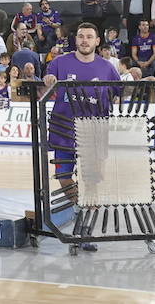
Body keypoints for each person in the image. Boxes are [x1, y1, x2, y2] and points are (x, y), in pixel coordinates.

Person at [48, 22, 115, 253]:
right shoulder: (59, 62)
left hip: (94, 130)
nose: (84, 40)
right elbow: (45, 85)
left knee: (92, 181)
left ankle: (85, 228)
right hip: (63, 129)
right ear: (75, 40)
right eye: (81, 36)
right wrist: (47, 82)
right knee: (63, 176)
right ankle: (79, 207)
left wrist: (146, 82)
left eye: (89, 36)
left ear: (97, 41)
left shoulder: (107, 67)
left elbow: (121, 91)